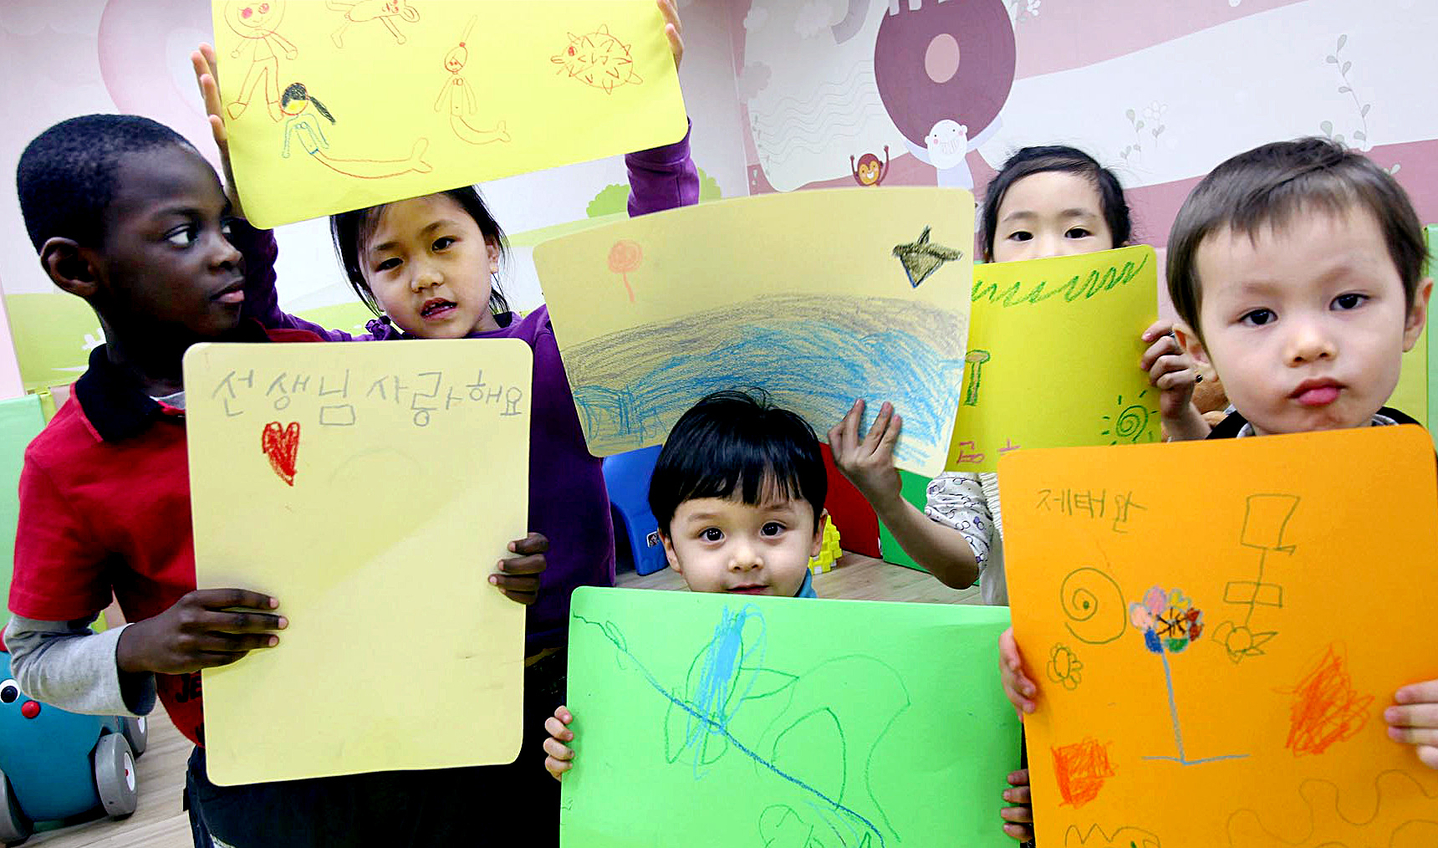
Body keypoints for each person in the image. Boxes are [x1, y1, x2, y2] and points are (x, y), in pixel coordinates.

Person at [4, 114, 551, 847]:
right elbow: (36, 657)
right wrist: (141, 644)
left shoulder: (330, 366)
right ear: (76, 269)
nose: (226, 251)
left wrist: (495, 565)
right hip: (268, 781)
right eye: (184, 234)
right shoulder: (68, 460)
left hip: (440, 736)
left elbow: (418, 521)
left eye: (227, 226)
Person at [1000, 137, 1438, 774]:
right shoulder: (1182, 489)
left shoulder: (1422, 483)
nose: (1309, 342)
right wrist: (1045, 660)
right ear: (1199, 348)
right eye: (1259, 315)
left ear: (1413, 315)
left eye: (1347, 301)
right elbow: (1134, 618)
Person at [541, 388, 830, 781]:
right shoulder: (645, 657)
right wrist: (582, 761)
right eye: (712, 534)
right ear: (671, 548)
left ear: (816, 533)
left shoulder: (841, 651)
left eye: (772, 528)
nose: (745, 558)